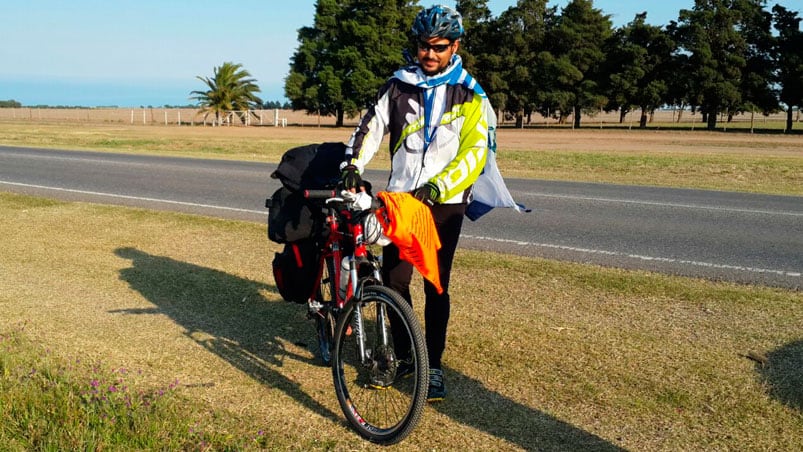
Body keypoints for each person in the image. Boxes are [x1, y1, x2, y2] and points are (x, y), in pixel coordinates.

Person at [339, 4, 490, 402]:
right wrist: (352, 165)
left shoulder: (471, 93)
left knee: (436, 286)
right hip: (401, 201)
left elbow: (476, 152)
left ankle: (434, 366)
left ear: (454, 46)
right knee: (394, 282)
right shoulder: (398, 85)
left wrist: (438, 187)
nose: (430, 54)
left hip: (444, 204)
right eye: (424, 46)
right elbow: (369, 129)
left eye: (439, 47)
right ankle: (407, 356)